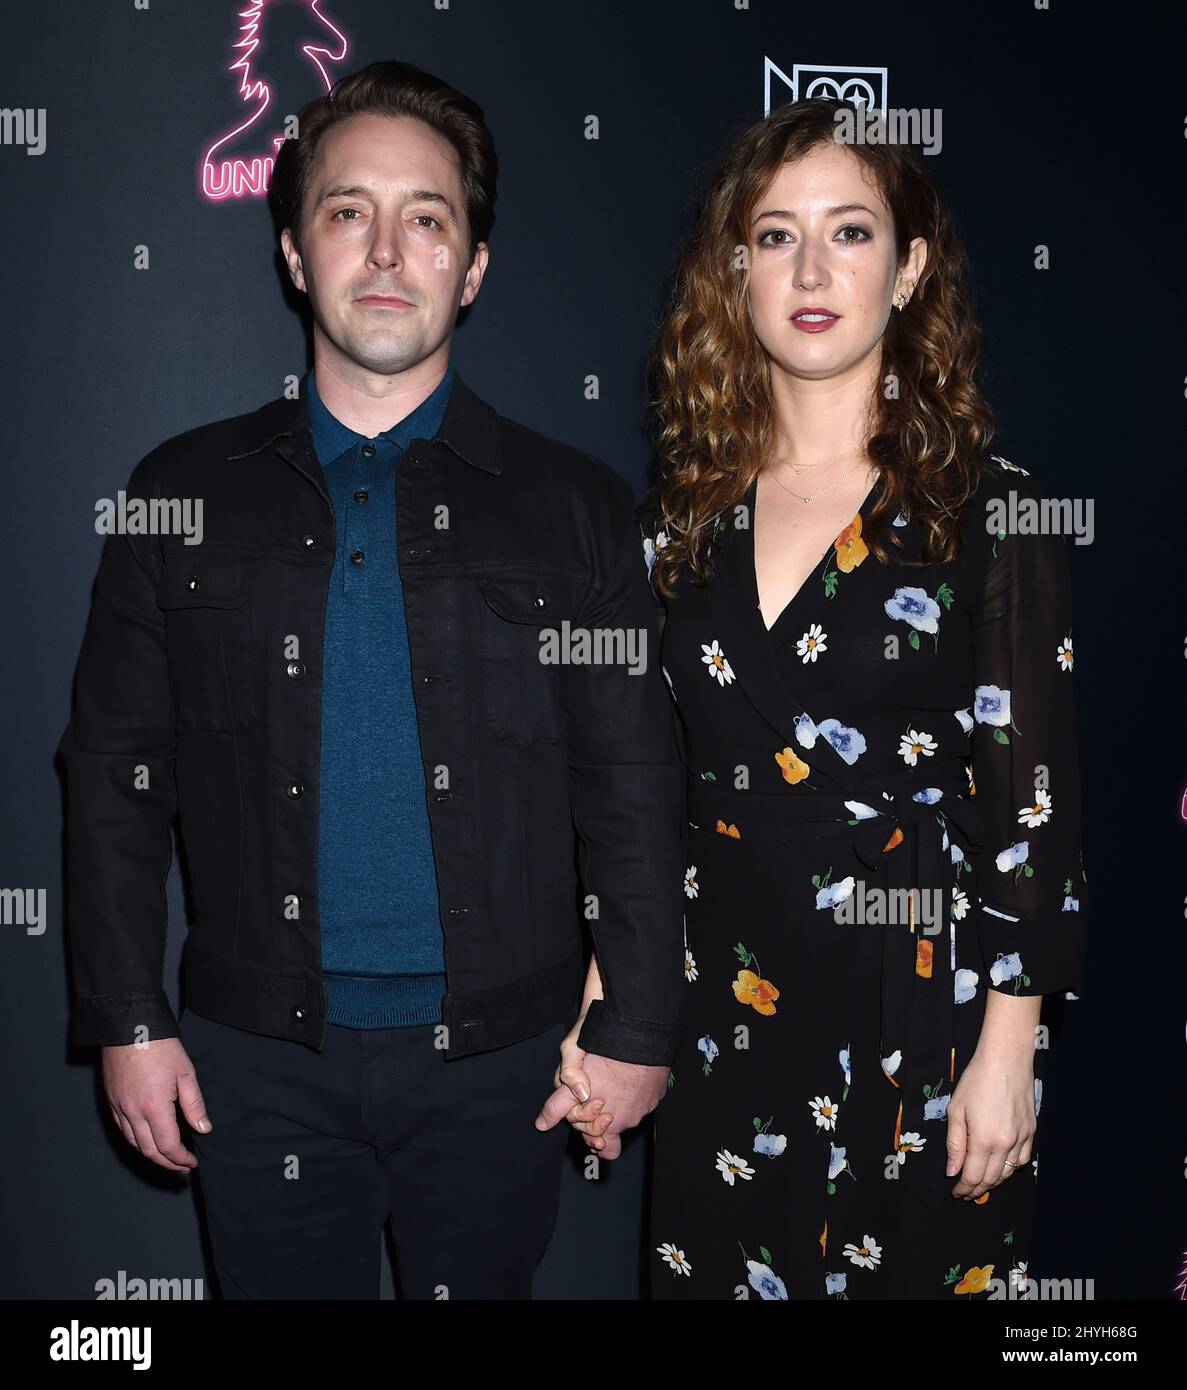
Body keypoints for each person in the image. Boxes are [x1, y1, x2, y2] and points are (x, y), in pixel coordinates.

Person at [58, 59, 685, 1300]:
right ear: (296, 251)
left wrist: (637, 1025)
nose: (387, 250)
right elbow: (112, 779)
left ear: (476, 264)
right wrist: (129, 1019)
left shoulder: (575, 510)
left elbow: (633, 779)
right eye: (349, 211)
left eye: (427, 217)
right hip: (255, 1057)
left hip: (503, 1065)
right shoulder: (178, 491)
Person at [552, 98, 1088, 1299]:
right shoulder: (677, 525)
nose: (808, 268)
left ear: (907, 273)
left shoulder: (989, 513)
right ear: (733, 273)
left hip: (923, 1022)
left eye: (848, 233)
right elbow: (648, 791)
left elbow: (1031, 815)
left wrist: (1009, 1048)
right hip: (722, 1013)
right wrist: (608, 1001)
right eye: (773, 234)